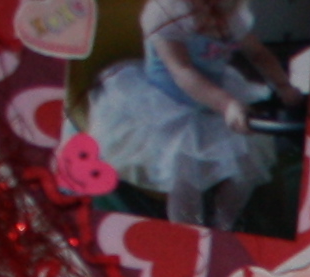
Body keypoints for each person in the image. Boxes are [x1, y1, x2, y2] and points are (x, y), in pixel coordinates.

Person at [81, 0, 295, 232]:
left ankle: (224, 223)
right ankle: (188, 231)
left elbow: (258, 53)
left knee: (248, 164)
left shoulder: (229, 12)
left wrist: (283, 85)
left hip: (215, 96)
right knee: (184, 174)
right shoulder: (165, 13)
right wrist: (227, 104)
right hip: (169, 103)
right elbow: (182, 71)